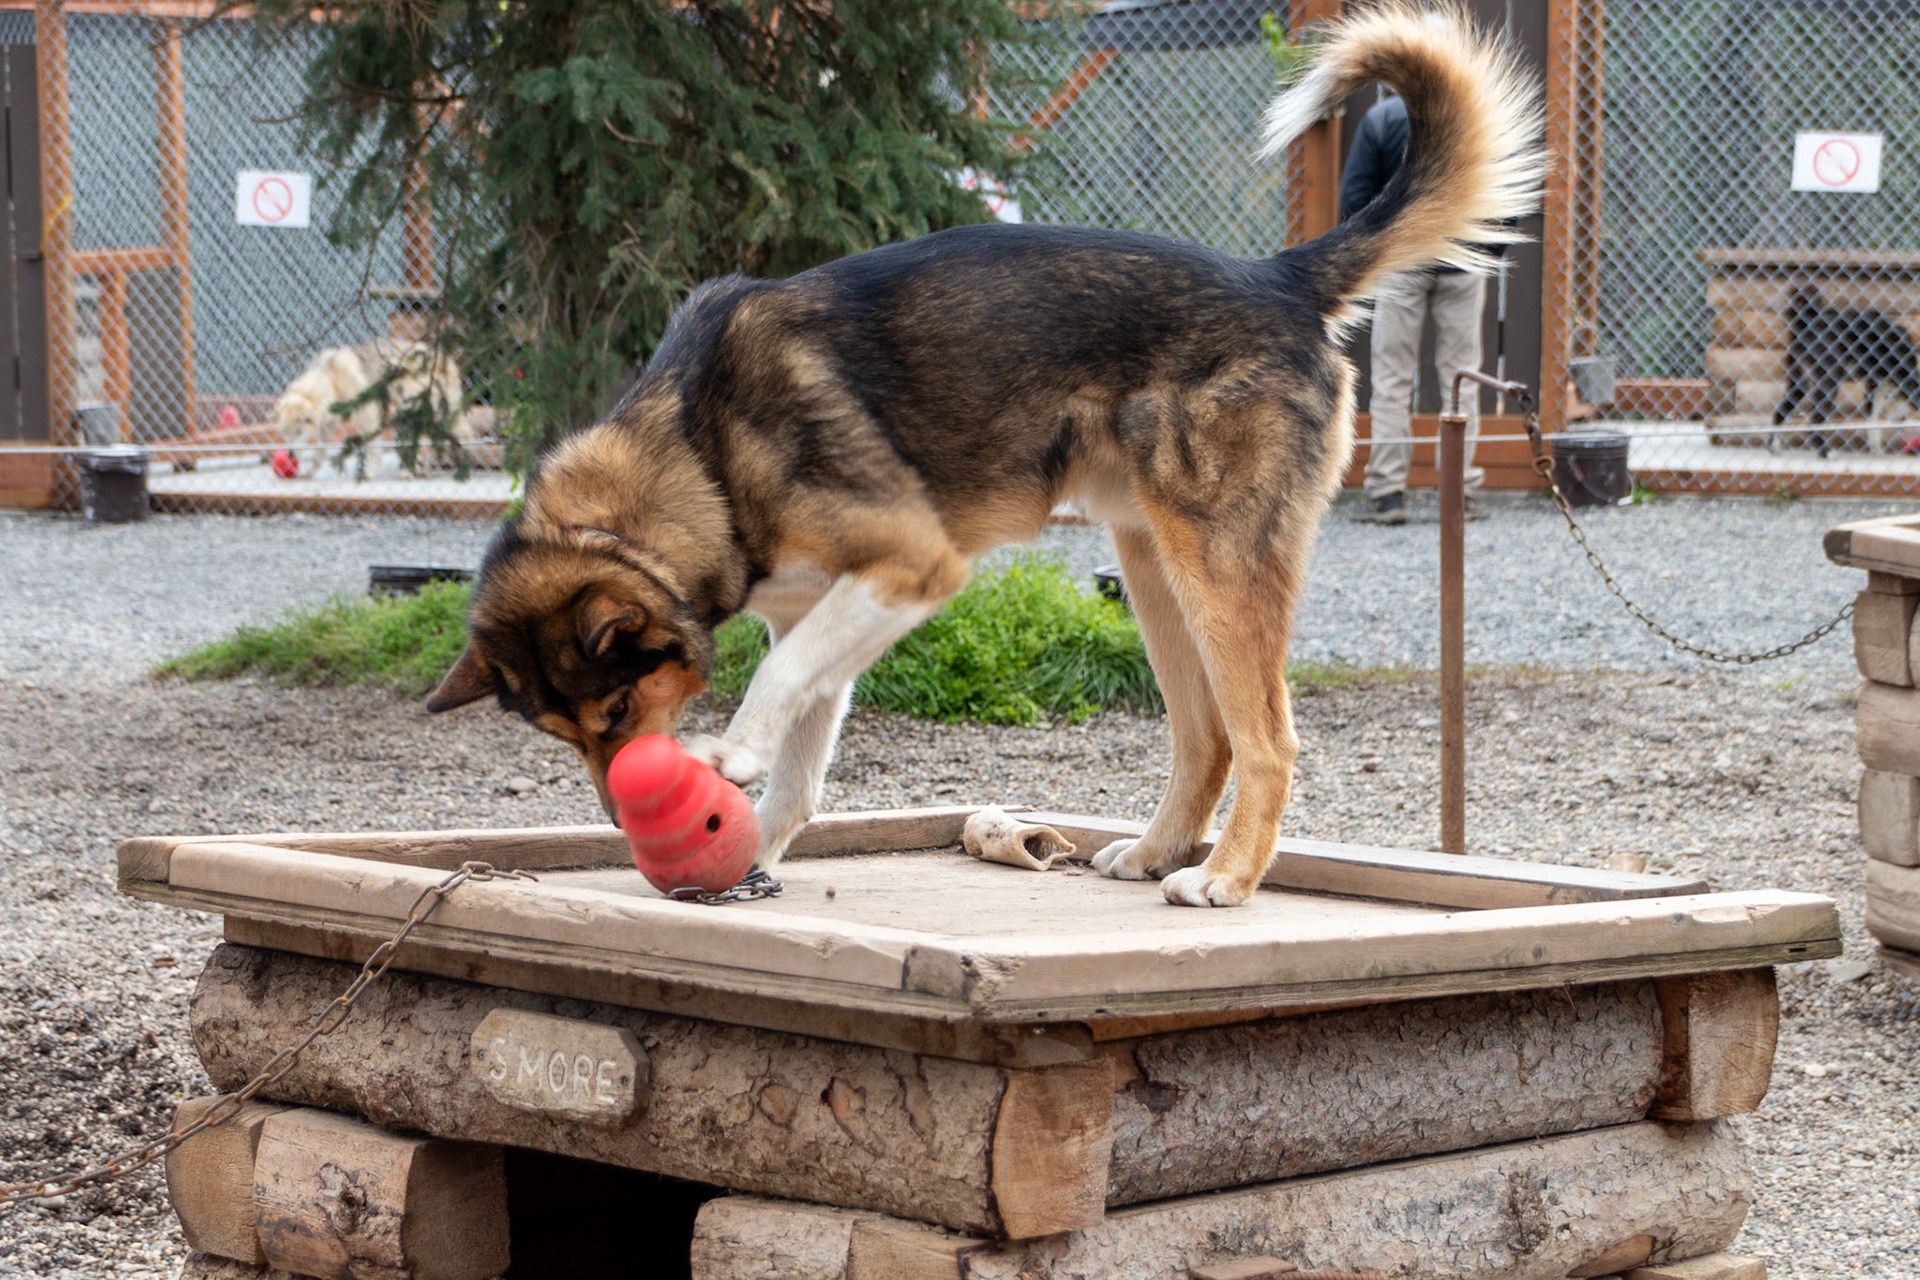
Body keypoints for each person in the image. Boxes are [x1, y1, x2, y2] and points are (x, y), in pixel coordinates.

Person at [1340, 91, 1494, 525]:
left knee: (1392, 378)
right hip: (1462, 259)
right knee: (1462, 377)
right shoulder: (1471, 115)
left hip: (1402, 262)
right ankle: (1459, 493)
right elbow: (1503, 185)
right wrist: (1488, 250)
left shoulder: (1382, 119)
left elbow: (1354, 197)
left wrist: (1374, 252)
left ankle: (1387, 493)